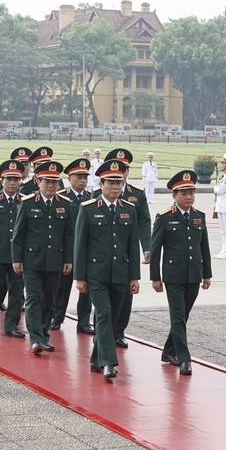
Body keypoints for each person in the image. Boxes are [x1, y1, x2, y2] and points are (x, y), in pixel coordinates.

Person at [74, 158, 141, 380]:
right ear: (101, 184)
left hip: (120, 274)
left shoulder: (129, 210)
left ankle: (95, 358)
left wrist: (134, 277)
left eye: (119, 183)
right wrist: (80, 277)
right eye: (110, 183)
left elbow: (132, 246)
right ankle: (108, 362)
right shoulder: (89, 209)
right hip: (96, 275)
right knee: (103, 314)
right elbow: (80, 245)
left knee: (112, 318)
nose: (115, 187)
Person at [150, 170, 212, 375]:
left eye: (191, 193)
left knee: (183, 315)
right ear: (174, 195)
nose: (189, 197)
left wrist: (207, 274)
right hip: (173, 276)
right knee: (177, 316)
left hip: (194, 274)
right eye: (184, 193)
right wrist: (155, 278)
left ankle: (168, 351)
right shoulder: (165, 218)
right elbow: (156, 249)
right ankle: (184, 358)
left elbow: (204, 247)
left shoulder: (198, 216)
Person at [11, 160, 75, 354]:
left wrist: (68, 260)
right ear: (38, 182)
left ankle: (44, 335)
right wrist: (16, 259)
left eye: (54, 182)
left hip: (55, 261)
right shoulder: (29, 203)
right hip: (32, 260)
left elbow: (69, 236)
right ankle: (36, 338)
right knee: (32, 299)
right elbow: (18, 234)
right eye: (47, 181)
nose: (51, 186)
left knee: (49, 300)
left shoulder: (65, 204)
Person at [99, 148, 151, 349]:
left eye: (125, 169)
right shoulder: (97, 195)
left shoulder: (136, 194)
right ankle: (101, 330)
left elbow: (144, 222)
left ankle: (119, 331)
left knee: (125, 296)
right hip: (102, 256)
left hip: (124, 253)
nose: (121, 173)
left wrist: (146, 246)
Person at [0, 159, 27, 338]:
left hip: (17, 256)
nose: (12, 183)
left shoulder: (24, 201)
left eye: (16, 180)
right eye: (9, 179)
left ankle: (11, 324)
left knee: (16, 291)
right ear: (2, 180)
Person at [51, 157, 95, 335]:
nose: (83, 180)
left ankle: (84, 321)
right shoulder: (61, 198)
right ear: (69, 178)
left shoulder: (92, 198)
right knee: (62, 287)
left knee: (87, 289)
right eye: (78, 177)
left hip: (86, 252)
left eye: (85, 177)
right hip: (66, 252)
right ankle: (57, 316)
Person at [213, 153, 226, 259]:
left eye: (223, 164)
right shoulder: (223, 177)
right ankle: (223, 250)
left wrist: (216, 188)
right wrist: (217, 188)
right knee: (223, 230)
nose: (221, 166)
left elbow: (220, 190)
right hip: (220, 205)